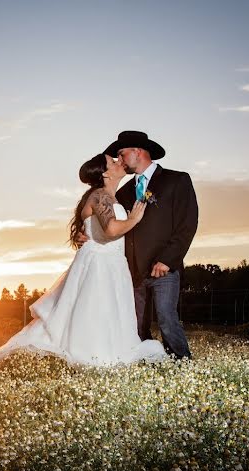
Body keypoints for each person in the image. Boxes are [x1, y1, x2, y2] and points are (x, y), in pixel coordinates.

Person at [0, 153, 166, 366]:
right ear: (105, 173)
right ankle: (94, 359)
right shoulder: (100, 195)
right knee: (96, 311)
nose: (119, 162)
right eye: (113, 162)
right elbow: (110, 229)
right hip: (100, 264)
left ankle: (110, 358)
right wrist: (134, 219)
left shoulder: (109, 196)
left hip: (113, 263)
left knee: (110, 315)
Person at [77, 131, 198, 359]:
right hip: (130, 269)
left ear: (138, 151)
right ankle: (149, 362)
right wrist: (87, 234)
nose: (120, 160)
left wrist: (168, 259)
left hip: (163, 266)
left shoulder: (177, 180)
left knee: (166, 317)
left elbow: (187, 223)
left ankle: (183, 362)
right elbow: (104, 220)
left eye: (122, 154)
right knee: (135, 323)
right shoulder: (121, 192)